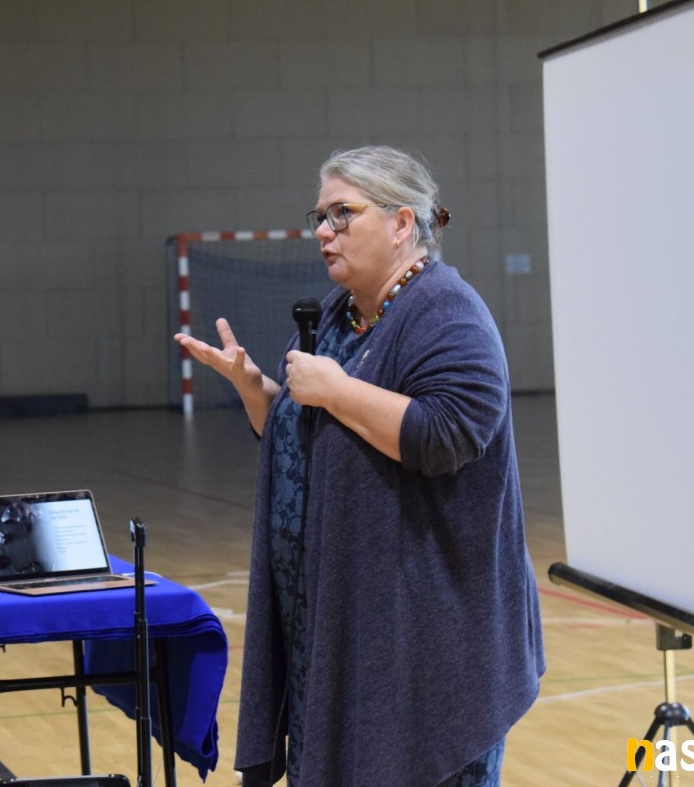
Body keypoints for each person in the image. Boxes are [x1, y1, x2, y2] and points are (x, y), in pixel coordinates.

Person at [175, 145, 545, 787]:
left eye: (342, 214)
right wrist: (257, 390)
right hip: (338, 630)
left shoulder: (448, 312)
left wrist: (338, 390)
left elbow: (447, 435)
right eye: (320, 216)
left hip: (426, 647)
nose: (324, 231)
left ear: (401, 223)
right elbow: (309, 438)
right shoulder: (339, 316)